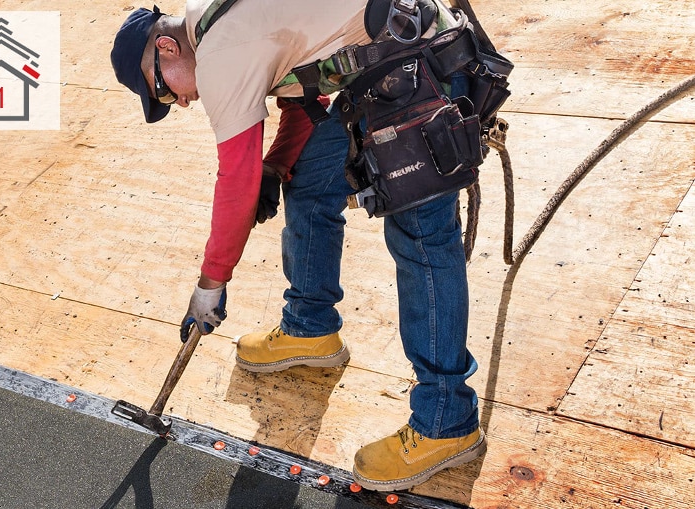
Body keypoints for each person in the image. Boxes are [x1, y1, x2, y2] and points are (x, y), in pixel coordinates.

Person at [111, 0, 486, 492]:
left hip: (420, 69)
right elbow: (306, 98)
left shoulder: (223, 51)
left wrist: (211, 282)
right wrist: (278, 163)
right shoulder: (213, 19)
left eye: (162, 90)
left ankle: (446, 419)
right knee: (309, 179)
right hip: (380, 69)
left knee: (421, 236)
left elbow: (235, 179)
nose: (178, 103)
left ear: (165, 46)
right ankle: (310, 328)